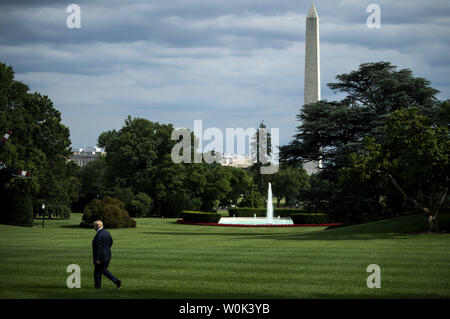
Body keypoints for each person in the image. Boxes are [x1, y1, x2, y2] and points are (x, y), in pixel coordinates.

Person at [92, 220, 122, 289]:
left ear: (98, 226)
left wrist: (97, 258)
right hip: (107, 255)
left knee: (97, 272)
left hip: (101, 257)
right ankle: (117, 282)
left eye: (94, 226)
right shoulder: (107, 232)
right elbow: (111, 242)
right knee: (103, 270)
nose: (93, 227)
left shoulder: (99, 235)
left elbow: (97, 248)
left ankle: (98, 287)